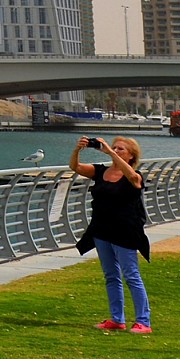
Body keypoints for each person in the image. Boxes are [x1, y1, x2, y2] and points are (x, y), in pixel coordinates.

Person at [71, 134, 150, 333]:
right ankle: (117, 319)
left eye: (120, 149)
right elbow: (76, 167)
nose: (115, 150)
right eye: (114, 147)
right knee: (111, 276)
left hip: (125, 232)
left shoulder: (135, 174)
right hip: (101, 230)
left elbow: (134, 179)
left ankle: (143, 321)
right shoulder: (100, 171)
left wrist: (111, 153)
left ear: (131, 156)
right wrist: (77, 150)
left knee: (131, 276)